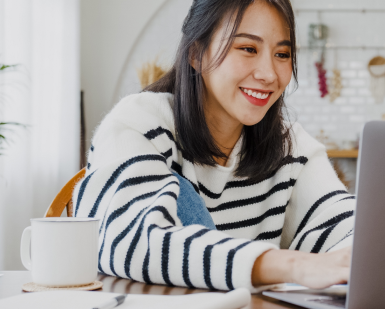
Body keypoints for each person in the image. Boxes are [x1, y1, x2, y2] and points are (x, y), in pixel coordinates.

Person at [72, 0, 354, 291]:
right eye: (248, 49)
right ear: (196, 54)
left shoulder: (291, 148)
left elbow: (353, 233)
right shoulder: (138, 124)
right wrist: (290, 265)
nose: (269, 74)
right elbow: (129, 241)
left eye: (282, 54)